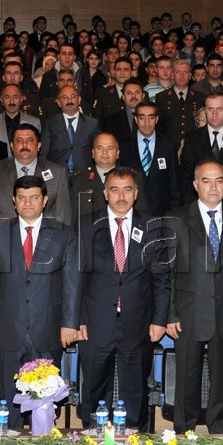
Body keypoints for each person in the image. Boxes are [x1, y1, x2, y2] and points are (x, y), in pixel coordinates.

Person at [0, 174, 80, 430]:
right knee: (8, 392)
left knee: (46, 393)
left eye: (34, 197)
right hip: (7, 329)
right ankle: (10, 436)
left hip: (48, 328)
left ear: (45, 200)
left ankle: (43, 440)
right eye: (22, 198)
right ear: (14, 201)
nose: (28, 203)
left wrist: (70, 324)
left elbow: (72, 282)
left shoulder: (64, 234)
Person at [76, 167, 171, 429]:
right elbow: (76, 277)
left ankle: (133, 438)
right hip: (94, 322)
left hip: (138, 322)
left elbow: (162, 279)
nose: (121, 196)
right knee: (94, 387)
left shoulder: (152, 226)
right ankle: (93, 435)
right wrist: (78, 319)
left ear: (136, 193)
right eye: (115, 190)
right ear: (105, 193)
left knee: (135, 390)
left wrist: (159, 320)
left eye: (127, 189)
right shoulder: (85, 225)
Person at [166, 161, 223, 434]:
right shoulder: (176, 219)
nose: (213, 186)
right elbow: (167, 272)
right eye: (206, 180)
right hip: (188, 311)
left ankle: (217, 431)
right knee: (186, 378)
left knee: (221, 379)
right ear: (196, 185)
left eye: (219, 180)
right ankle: (184, 431)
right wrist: (170, 314)